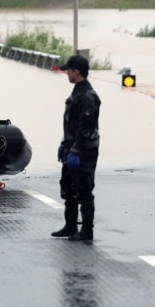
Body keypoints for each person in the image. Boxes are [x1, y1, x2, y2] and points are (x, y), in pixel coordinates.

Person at [52, 54, 101, 242]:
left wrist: (76, 150)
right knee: (68, 187)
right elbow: (71, 125)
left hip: (84, 151)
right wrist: (64, 144)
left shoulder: (88, 96)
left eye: (68, 70)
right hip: (70, 148)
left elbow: (85, 127)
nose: (66, 73)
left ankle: (87, 230)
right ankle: (70, 226)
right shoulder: (77, 92)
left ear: (77, 71)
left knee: (84, 190)